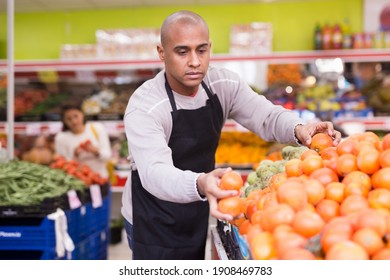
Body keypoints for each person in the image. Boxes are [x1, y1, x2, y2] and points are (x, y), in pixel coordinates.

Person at [121, 10, 342, 260]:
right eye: (182, 52)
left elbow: (266, 115)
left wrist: (299, 128)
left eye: (201, 50)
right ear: (162, 53)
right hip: (151, 217)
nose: (194, 61)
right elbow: (154, 172)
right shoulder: (146, 106)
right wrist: (200, 183)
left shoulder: (222, 84)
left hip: (198, 203)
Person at [54, 104, 112, 178]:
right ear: (64, 121)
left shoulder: (97, 128)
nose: (74, 121)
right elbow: (61, 164)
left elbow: (108, 156)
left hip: (100, 178)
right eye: (69, 118)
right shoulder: (61, 137)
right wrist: (74, 155)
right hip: (77, 180)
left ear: (82, 114)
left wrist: (97, 152)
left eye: (76, 116)